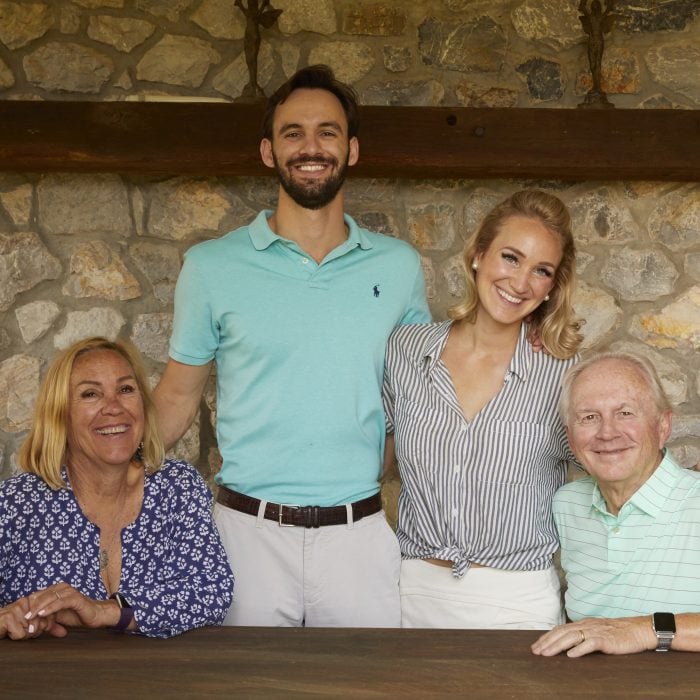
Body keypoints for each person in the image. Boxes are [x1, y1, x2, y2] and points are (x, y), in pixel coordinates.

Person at [153, 65, 430, 627]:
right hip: (245, 537)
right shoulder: (210, 267)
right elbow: (176, 401)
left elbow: (418, 399)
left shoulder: (399, 267)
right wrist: (88, 477)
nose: (311, 147)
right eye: (293, 133)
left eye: (327, 132)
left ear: (351, 150)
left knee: (368, 686)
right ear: (267, 151)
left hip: (358, 537)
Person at [383, 189, 583, 629]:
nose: (521, 282)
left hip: (520, 601)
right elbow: (371, 459)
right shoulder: (406, 350)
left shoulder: (563, 371)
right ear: (478, 254)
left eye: (541, 271)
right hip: (413, 592)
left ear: (552, 287)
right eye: (510, 257)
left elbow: (606, 471)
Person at [0, 337, 234, 640]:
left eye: (125, 389)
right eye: (90, 394)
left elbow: (211, 591)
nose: (113, 408)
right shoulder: (15, 504)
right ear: (60, 415)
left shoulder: (177, 486)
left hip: (164, 682)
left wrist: (104, 611)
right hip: (51, 685)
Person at [532, 352, 700, 656]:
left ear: (663, 426)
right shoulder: (567, 505)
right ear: (570, 438)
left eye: (625, 413)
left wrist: (640, 629)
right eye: (589, 417)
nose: (607, 433)